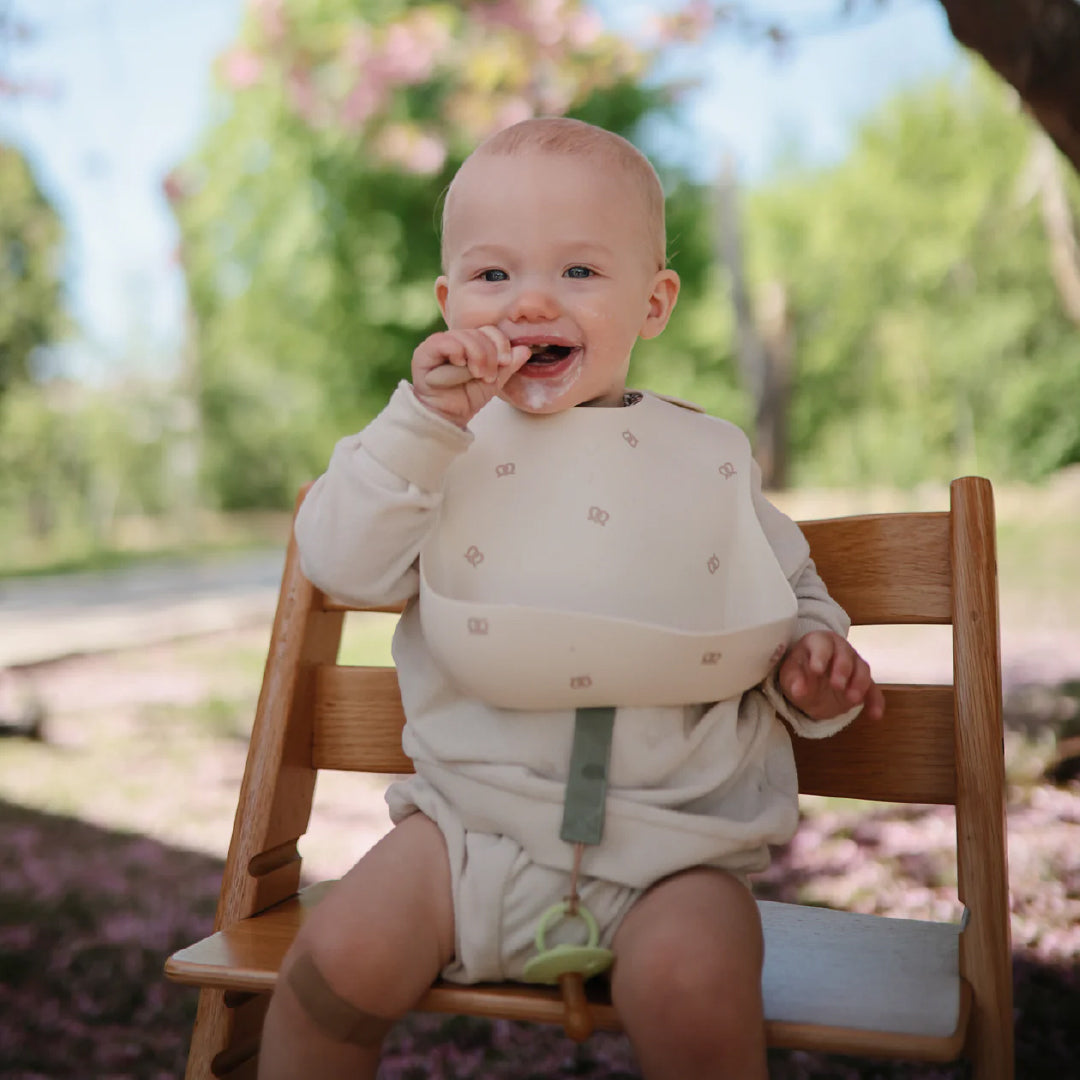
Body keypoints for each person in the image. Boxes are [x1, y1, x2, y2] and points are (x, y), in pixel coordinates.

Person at [258, 116, 885, 1080]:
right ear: (447, 299)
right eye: (493, 275)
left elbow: (786, 595)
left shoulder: (705, 457)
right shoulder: (431, 452)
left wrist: (813, 663)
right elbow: (339, 561)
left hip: (678, 846)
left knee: (697, 993)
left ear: (654, 302)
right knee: (329, 972)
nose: (532, 300)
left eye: (581, 274)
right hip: (466, 834)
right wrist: (418, 427)